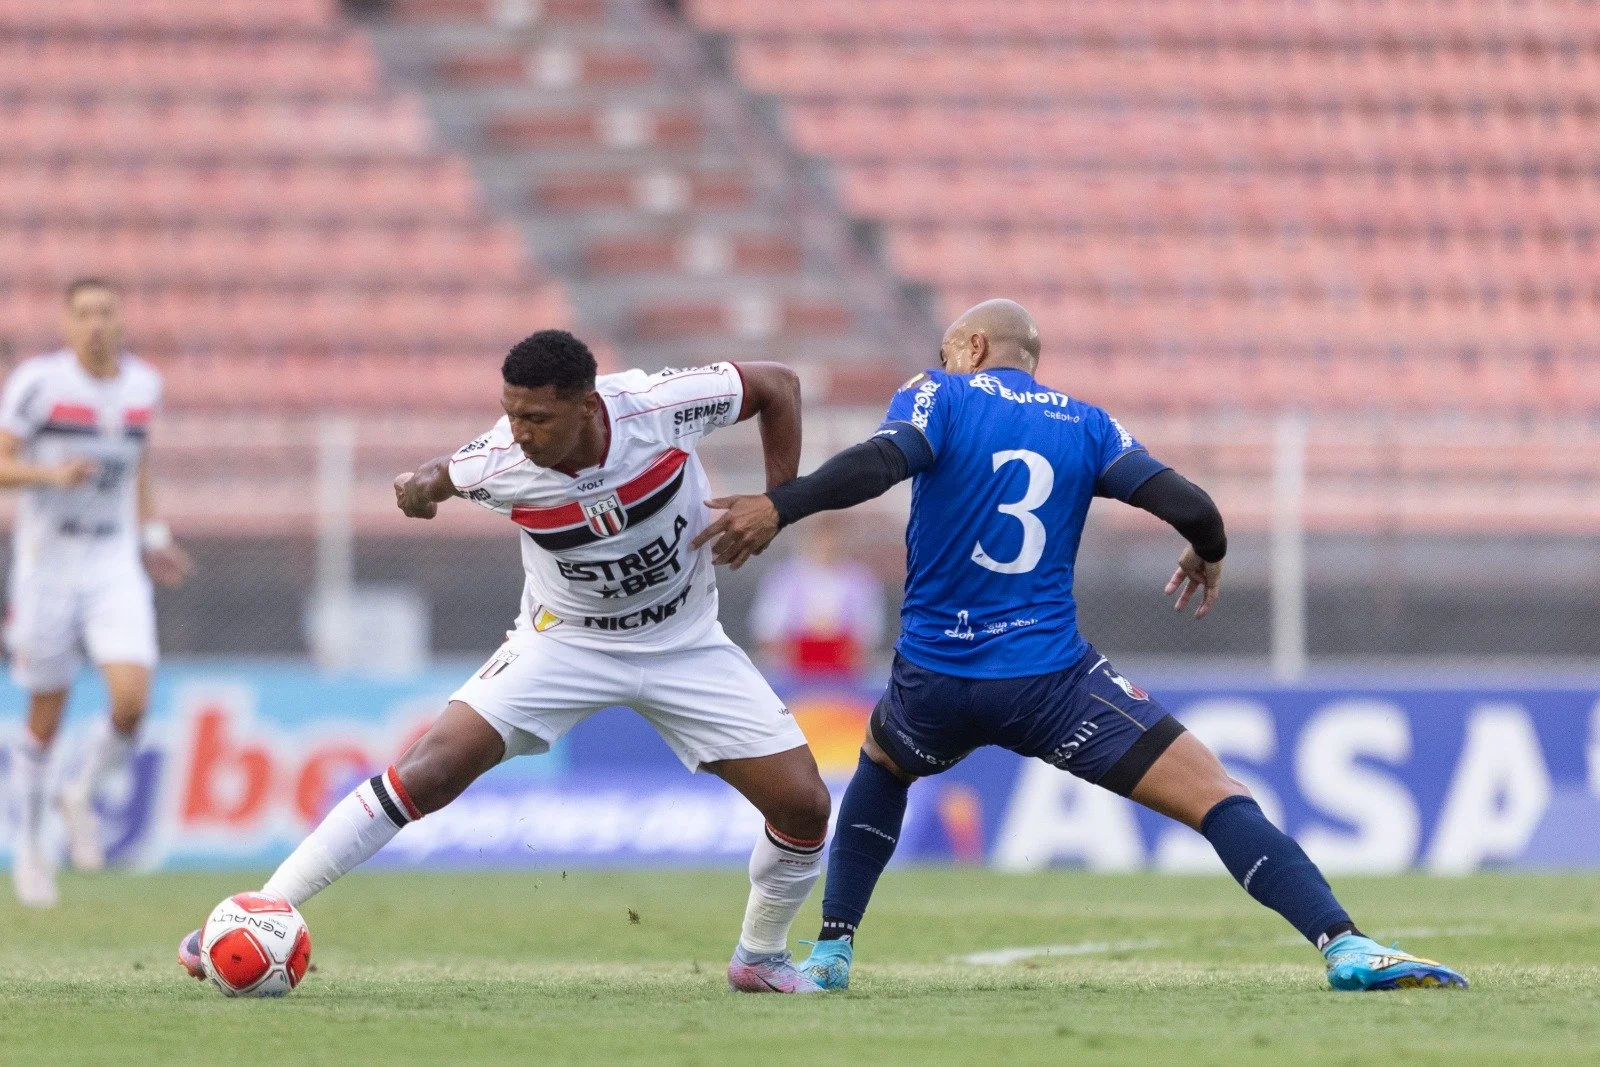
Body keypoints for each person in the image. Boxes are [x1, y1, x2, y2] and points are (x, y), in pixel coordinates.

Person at [693, 299, 1467, 992]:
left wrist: (781, 504)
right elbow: (1191, 504)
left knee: (884, 763)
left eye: (945, 350)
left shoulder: (937, 395)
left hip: (934, 679)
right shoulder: (1085, 422)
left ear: (968, 346)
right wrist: (1209, 548)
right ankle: (1344, 944)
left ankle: (830, 952)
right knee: (1217, 794)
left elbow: (878, 464)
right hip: (1051, 683)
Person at [178, 330, 834, 993]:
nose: (519, 431)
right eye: (511, 411)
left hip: (685, 643)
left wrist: (779, 503)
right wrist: (420, 490)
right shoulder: (503, 460)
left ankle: (759, 956)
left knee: (804, 804)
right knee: (428, 770)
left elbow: (780, 384)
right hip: (563, 643)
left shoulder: (657, 406)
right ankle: (258, 912)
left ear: (587, 404)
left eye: (537, 417)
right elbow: (444, 472)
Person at [3, 277, 193, 908]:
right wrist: (48, 473)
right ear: (67, 324)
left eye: (106, 312)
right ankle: (32, 851)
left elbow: (137, 467)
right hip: (47, 559)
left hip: (112, 557)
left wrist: (153, 535)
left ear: (122, 319)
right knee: (45, 716)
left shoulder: (144, 386)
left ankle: (80, 791)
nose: (95, 324)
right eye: (82, 313)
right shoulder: (39, 384)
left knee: (133, 699)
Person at [748, 515, 885, 677]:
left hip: (845, 675)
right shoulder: (783, 579)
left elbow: (868, 635)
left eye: (833, 539)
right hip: (791, 673)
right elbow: (767, 632)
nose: (828, 545)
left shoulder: (861, 581)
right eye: (822, 538)